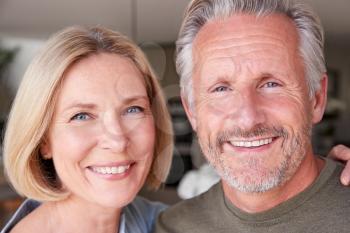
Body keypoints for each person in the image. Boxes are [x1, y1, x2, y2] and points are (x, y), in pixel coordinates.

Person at [155, 0, 350, 232]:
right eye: (221, 89)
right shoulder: (172, 227)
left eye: (271, 84)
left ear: (316, 98)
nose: (248, 119)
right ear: (192, 111)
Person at [1, 26, 173, 233]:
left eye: (133, 109)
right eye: (81, 116)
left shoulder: (172, 223)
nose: (117, 140)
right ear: (43, 141)